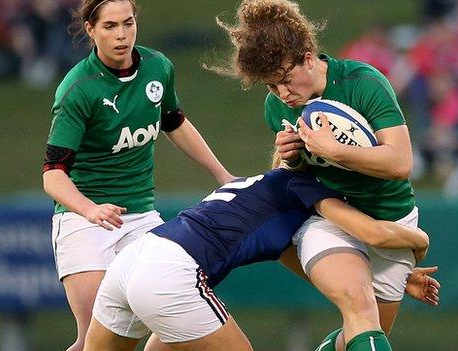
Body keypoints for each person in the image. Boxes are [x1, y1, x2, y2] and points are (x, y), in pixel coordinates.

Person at [210, 1, 428, 350]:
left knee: (362, 336)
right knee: (359, 307)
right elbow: (293, 178)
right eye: (271, 87)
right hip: (329, 218)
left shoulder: (363, 82)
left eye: (285, 80)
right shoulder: (277, 106)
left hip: (391, 218)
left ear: (308, 57)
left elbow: (400, 163)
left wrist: (334, 150)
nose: (283, 94)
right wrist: (291, 158)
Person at [41, 1, 233, 350]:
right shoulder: (78, 88)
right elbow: (53, 176)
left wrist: (223, 175)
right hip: (84, 222)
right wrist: (90, 210)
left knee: (178, 308)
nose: (121, 35)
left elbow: (174, 123)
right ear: (91, 29)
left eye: (128, 24)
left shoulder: (158, 67)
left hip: (142, 217)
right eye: (110, 26)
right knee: (93, 341)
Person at [83, 168, 434, 351]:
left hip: (135, 260)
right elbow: (375, 234)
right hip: (172, 275)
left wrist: (396, 276)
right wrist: (420, 240)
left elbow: (316, 265)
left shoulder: (262, 187)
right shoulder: (305, 187)